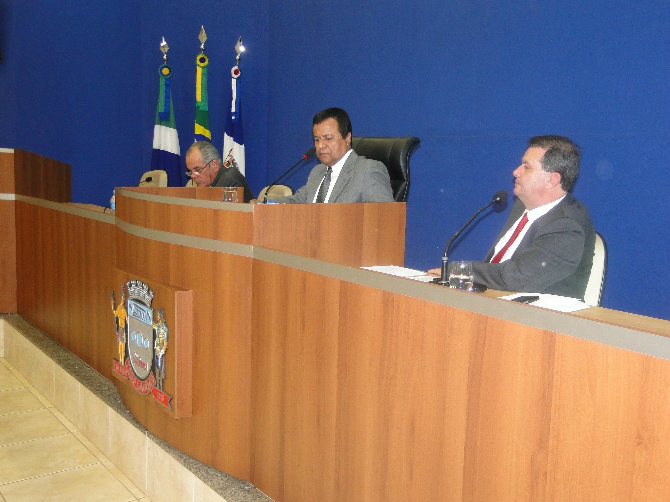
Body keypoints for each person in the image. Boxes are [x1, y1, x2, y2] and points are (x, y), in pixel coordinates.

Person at [432, 135, 595, 300]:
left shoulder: (568, 225)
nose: (516, 171)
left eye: (527, 167)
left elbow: (517, 277)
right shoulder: (522, 206)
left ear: (552, 180)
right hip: (494, 302)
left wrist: (462, 271)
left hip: (537, 319)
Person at [271, 108, 394, 204]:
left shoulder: (368, 170)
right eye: (317, 139)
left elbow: (383, 216)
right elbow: (297, 201)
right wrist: (263, 205)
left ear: (347, 138)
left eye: (328, 138)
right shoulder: (317, 172)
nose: (320, 146)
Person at [185, 141, 254, 202]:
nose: (192, 176)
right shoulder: (209, 183)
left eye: (197, 170)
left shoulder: (230, 180)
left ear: (214, 165)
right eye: (191, 171)